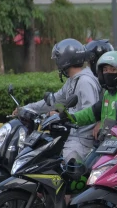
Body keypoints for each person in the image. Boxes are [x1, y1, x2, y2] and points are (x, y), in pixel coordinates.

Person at [18, 39, 101, 167]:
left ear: (65, 59)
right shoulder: (72, 81)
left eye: (58, 58)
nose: (56, 62)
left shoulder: (85, 82)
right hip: (72, 136)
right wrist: (26, 109)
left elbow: (90, 114)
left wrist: (61, 115)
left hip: (82, 141)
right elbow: (54, 101)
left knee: (65, 171)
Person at [68, 51, 117, 138]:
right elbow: (92, 113)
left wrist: (105, 134)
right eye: (105, 70)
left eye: (113, 69)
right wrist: (71, 118)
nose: (108, 73)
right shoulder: (109, 93)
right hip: (108, 144)